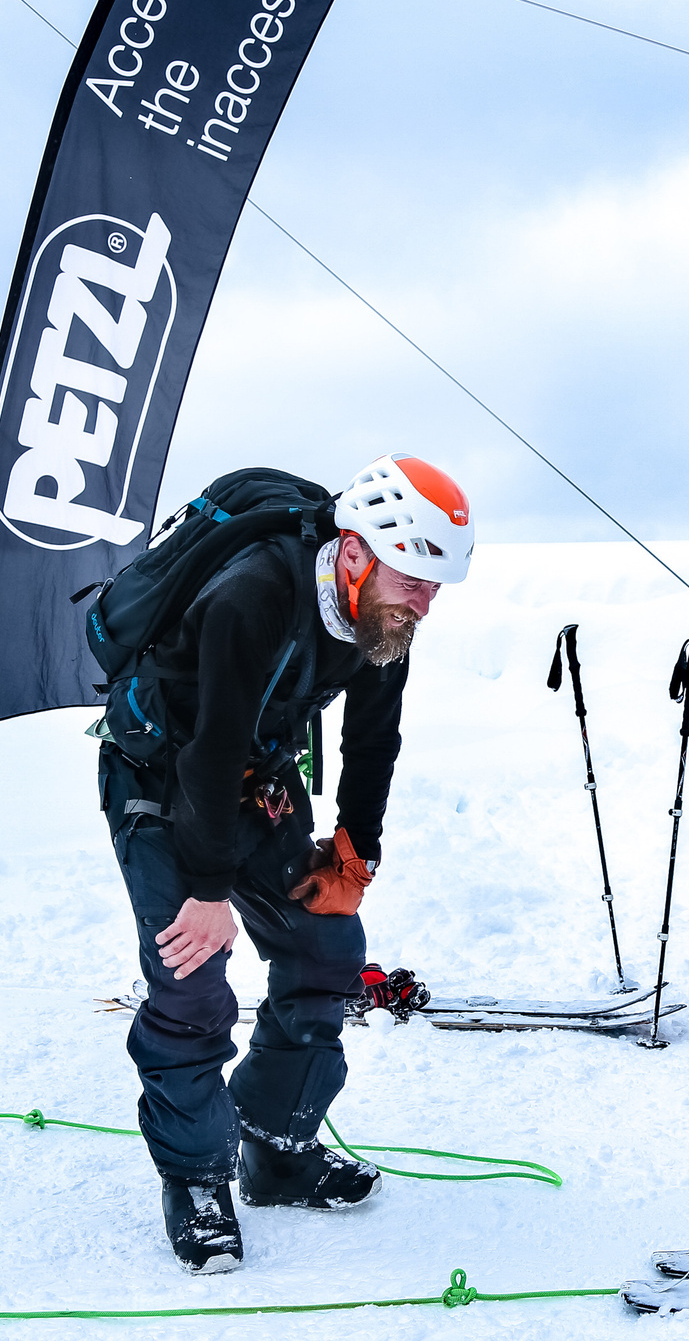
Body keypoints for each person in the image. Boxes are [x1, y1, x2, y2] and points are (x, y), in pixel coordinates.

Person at [100, 455, 472, 1274]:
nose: (425, 601)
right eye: (414, 578)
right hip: (163, 779)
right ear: (353, 551)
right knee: (193, 977)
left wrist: (355, 853)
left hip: (254, 780)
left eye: (435, 586)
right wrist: (205, 891)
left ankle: (274, 1146)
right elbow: (207, 749)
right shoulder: (253, 596)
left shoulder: (383, 620)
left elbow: (373, 737)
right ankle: (197, 1178)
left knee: (327, 945)